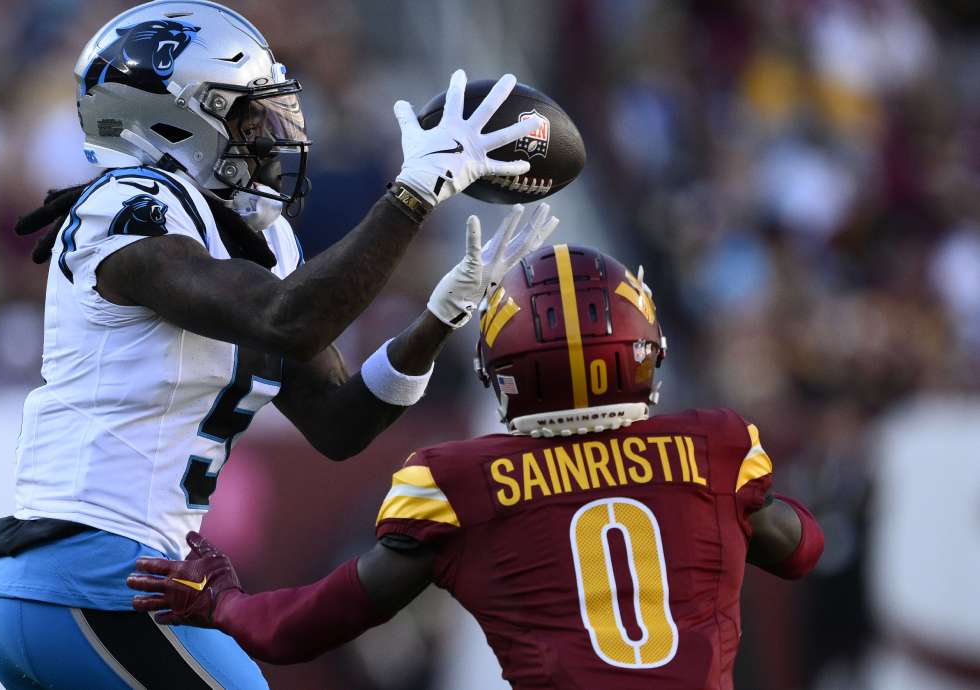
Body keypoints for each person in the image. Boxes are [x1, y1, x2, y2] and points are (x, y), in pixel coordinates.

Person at [0, 1, 551, 687]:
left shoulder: (260, 239)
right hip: (91, 571)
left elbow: (340, 422)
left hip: (100, 580)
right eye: (248, 117)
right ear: (170, 120)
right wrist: (413, 193)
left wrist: (437, 318)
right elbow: (287, 320)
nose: (273, 137)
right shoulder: (128, 205)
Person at [129, 243, 826, 690]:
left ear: (502, 370)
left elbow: (304, 627)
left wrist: (223, 603)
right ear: (644, 349)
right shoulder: (714, 448)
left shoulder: (457, 483)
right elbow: (802, 552)